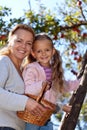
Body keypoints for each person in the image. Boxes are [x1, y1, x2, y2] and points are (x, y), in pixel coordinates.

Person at [22, 33, 79, 130]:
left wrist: (80, 82)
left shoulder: (55, 72)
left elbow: (65, 86)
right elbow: (27, 90)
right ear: (33, 53)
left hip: (46, 118)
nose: (43, 53)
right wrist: (41, 85)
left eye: (47, 50)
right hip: (31, 117)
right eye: (39, 51)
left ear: (53, 51)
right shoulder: (32, 68)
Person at [0, 24, 49, 130]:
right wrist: (26, 102)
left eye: (28, 43)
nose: (23, 46)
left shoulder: (24, 73)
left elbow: (32, 98)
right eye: (19, 41)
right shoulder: (4, 61)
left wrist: (60, 107)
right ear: (10, 41)